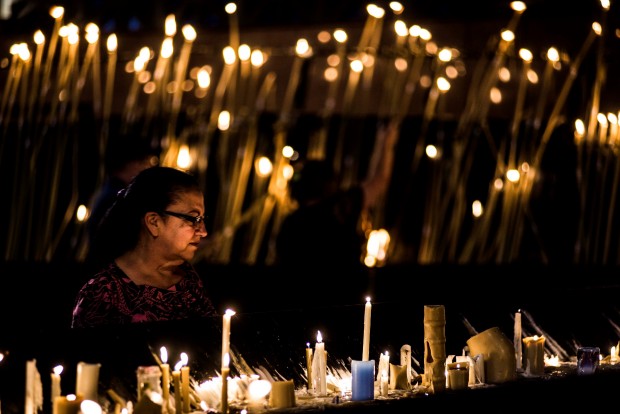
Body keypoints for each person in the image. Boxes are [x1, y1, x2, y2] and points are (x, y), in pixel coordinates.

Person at [71, 166, 217, 328]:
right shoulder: (103, 293)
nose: (203, 232)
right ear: (154, 222)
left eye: (202, 219)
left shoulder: (188, 280)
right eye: (193, 218)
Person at [275, 119, 400, 268]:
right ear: (328, 184)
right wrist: (386, 142)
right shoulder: (338, 208)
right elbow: (378, 180)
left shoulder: (292, 222)